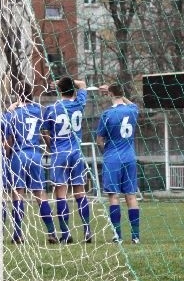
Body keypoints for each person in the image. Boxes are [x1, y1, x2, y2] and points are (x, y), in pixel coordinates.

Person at [42, 76, 92, 244]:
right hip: (76, 153)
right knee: (80, 192)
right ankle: (87, 231)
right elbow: (83, 84)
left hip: (60, 153)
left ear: (59, 90)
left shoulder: (51, 109)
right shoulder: (79, 103)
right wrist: (67, 83)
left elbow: (44, 132)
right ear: (73, 89)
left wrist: (52, 146)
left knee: (60, 194)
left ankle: (66, 233)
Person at [6, 82, 54, 244]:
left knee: (18, 194)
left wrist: (6, 156)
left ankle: (18, 233)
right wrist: (51, 147)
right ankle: (52, 232)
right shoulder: (38, 111)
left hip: (19, 155)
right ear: (31, 94)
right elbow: (46, 134)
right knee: (40, 194)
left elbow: (9, 142)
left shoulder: (13, 114)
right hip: (35, 155)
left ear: (17, 95)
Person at [96, 84, 141, 244]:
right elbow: (132, 104)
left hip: (112, 158)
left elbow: (99, 141)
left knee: (113, 196)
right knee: (131, 196)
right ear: (122, 94)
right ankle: (135, 237)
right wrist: (119, 94)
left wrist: (106, 153)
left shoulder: (107, 114)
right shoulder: (133, 111)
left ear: (109, 94)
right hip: (129, 157)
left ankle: (118, 236)